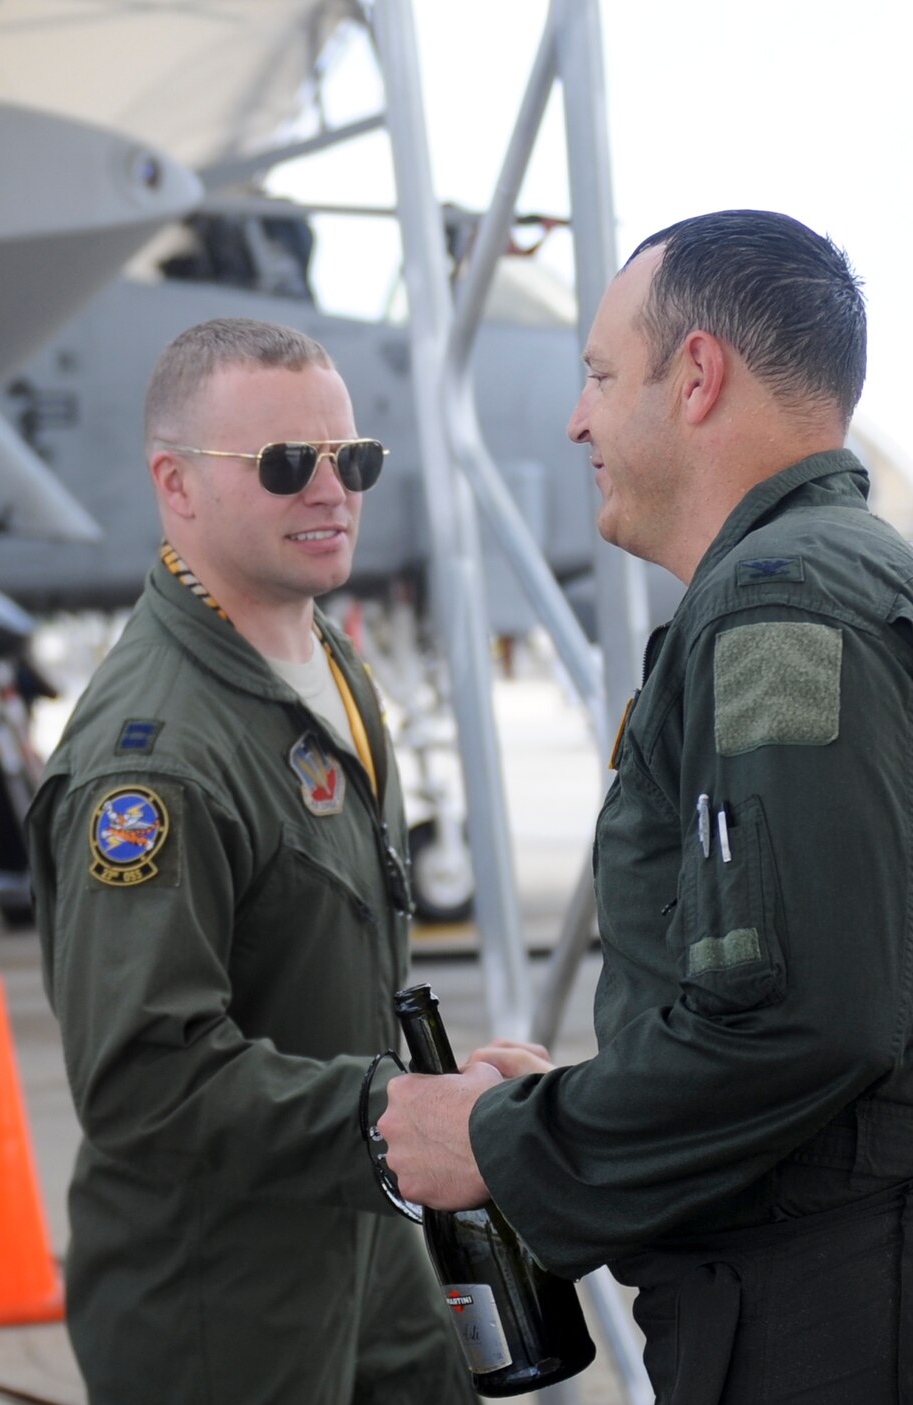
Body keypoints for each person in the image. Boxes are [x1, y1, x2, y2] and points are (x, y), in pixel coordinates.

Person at [380, 210, 913, 1402]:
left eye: (599, 375)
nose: (576, 418)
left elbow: (807, 1018)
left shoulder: (781, 611)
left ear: (695, 377)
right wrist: (569, 1095)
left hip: (819, 1309)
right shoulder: (850, 575)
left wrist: (496, 1140)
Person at [26, 318, 476, 1405]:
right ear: (173, 484)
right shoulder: (154, 762)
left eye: (349, 459)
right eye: (284, 465)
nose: (329, 490)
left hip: (364, 1248)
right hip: (219, 1304)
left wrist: (435, 1097)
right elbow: (141, 1081)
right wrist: (389, 1115)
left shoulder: (324, 662)